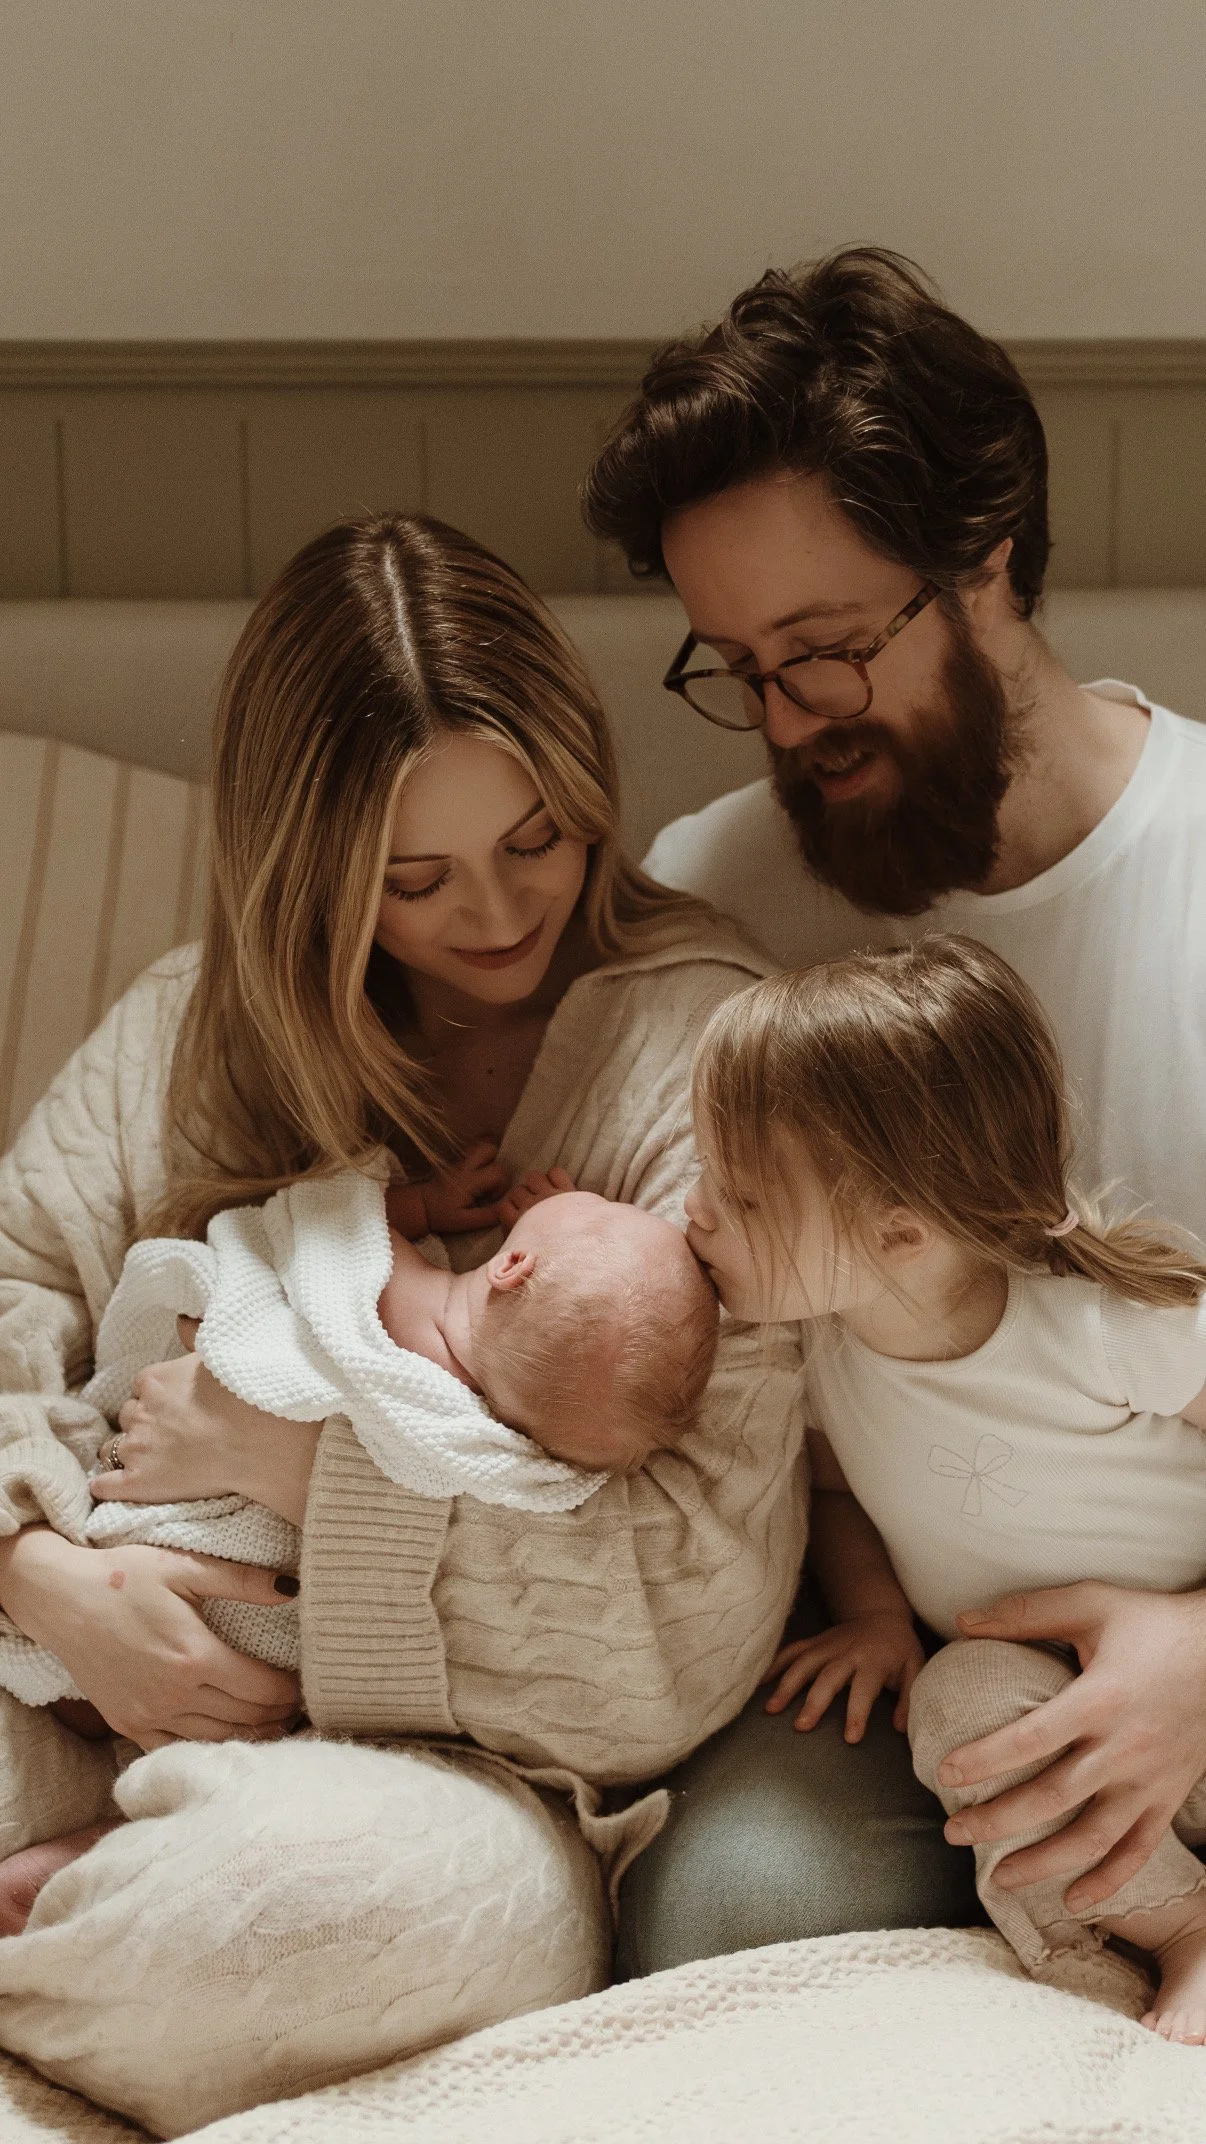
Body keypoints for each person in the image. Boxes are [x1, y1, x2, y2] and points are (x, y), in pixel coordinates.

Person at [0, 512, 802, 2136]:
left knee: (259, 1917)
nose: (498, 910)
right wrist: (43, 1572)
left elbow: (684, 1612)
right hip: (73, 1633)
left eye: (537, 837)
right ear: (308, 872)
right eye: (413, 877)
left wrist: (305, 1472)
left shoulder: (707, 1050)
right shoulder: (200, 1023)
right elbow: (14, 1280)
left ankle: (77, 1932)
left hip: (467, 1773)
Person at [581, 245, 1206, 1973]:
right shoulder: (716, 901)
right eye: (735, 665)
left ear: (984, 562)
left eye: (828, 649)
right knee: (722, 1910)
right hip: (907, 1671)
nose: (787, 721)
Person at [686, 936, 1206, 2040]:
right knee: (958, 1704)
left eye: (739, 1195)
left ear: (899, 1232)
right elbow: (835, 1492)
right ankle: (1168, 1934)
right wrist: (875, 1615)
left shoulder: (1107, 1325)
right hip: (1046, 1698)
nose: (695, 1213)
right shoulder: (823, 1352)